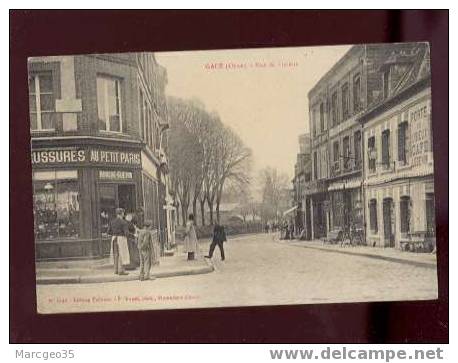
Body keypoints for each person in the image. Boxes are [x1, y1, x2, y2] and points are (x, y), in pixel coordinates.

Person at [107, 208, 130, 275]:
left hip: (114, 238)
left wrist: (114, 234)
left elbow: (108, 231)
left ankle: (115, 270)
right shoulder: (123, 222)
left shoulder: (112, 221)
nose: (123, 214)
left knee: (115, 254)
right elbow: (126, 233)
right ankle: (121, 270)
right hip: (121, 238)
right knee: (121, 254)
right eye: (123, 213)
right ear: (122, 213)